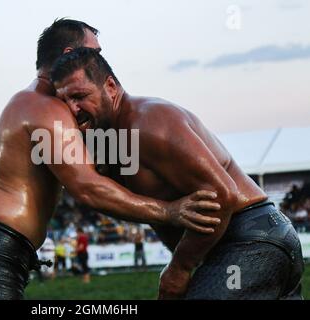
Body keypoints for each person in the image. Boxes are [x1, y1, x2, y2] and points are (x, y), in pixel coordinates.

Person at [0, 19, 221, 300]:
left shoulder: (32, 103)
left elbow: (16, 154)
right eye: (96, 51)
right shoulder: (47, 109)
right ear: (70, 54)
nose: (100, 60)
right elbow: (87, 187)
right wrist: (170, 211)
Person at [48, 47, 304, 299]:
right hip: (251, 243)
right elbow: (97, 194)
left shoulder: (149, 122)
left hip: (251, 239)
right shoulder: (109, 139)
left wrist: (179, 269)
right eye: (64, 101)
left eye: (79, 96)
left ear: (111, 87)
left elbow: (221, 196)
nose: (72, 108)